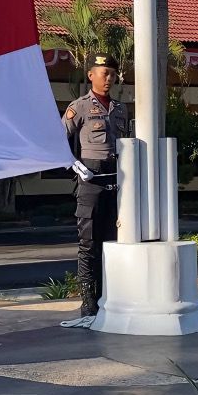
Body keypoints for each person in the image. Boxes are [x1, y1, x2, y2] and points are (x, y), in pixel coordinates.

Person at [63, 53, 128, 317]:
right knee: (89, 243)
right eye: (104, 73)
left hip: (118, 179)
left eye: (112, 74)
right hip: (91, 179)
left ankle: (110, 296)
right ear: (91, 75)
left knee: (114, 242)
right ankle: (89, 302)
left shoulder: (121, 109)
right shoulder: (78, 107)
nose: (109, 78)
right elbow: (59, 140)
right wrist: (74, 165)